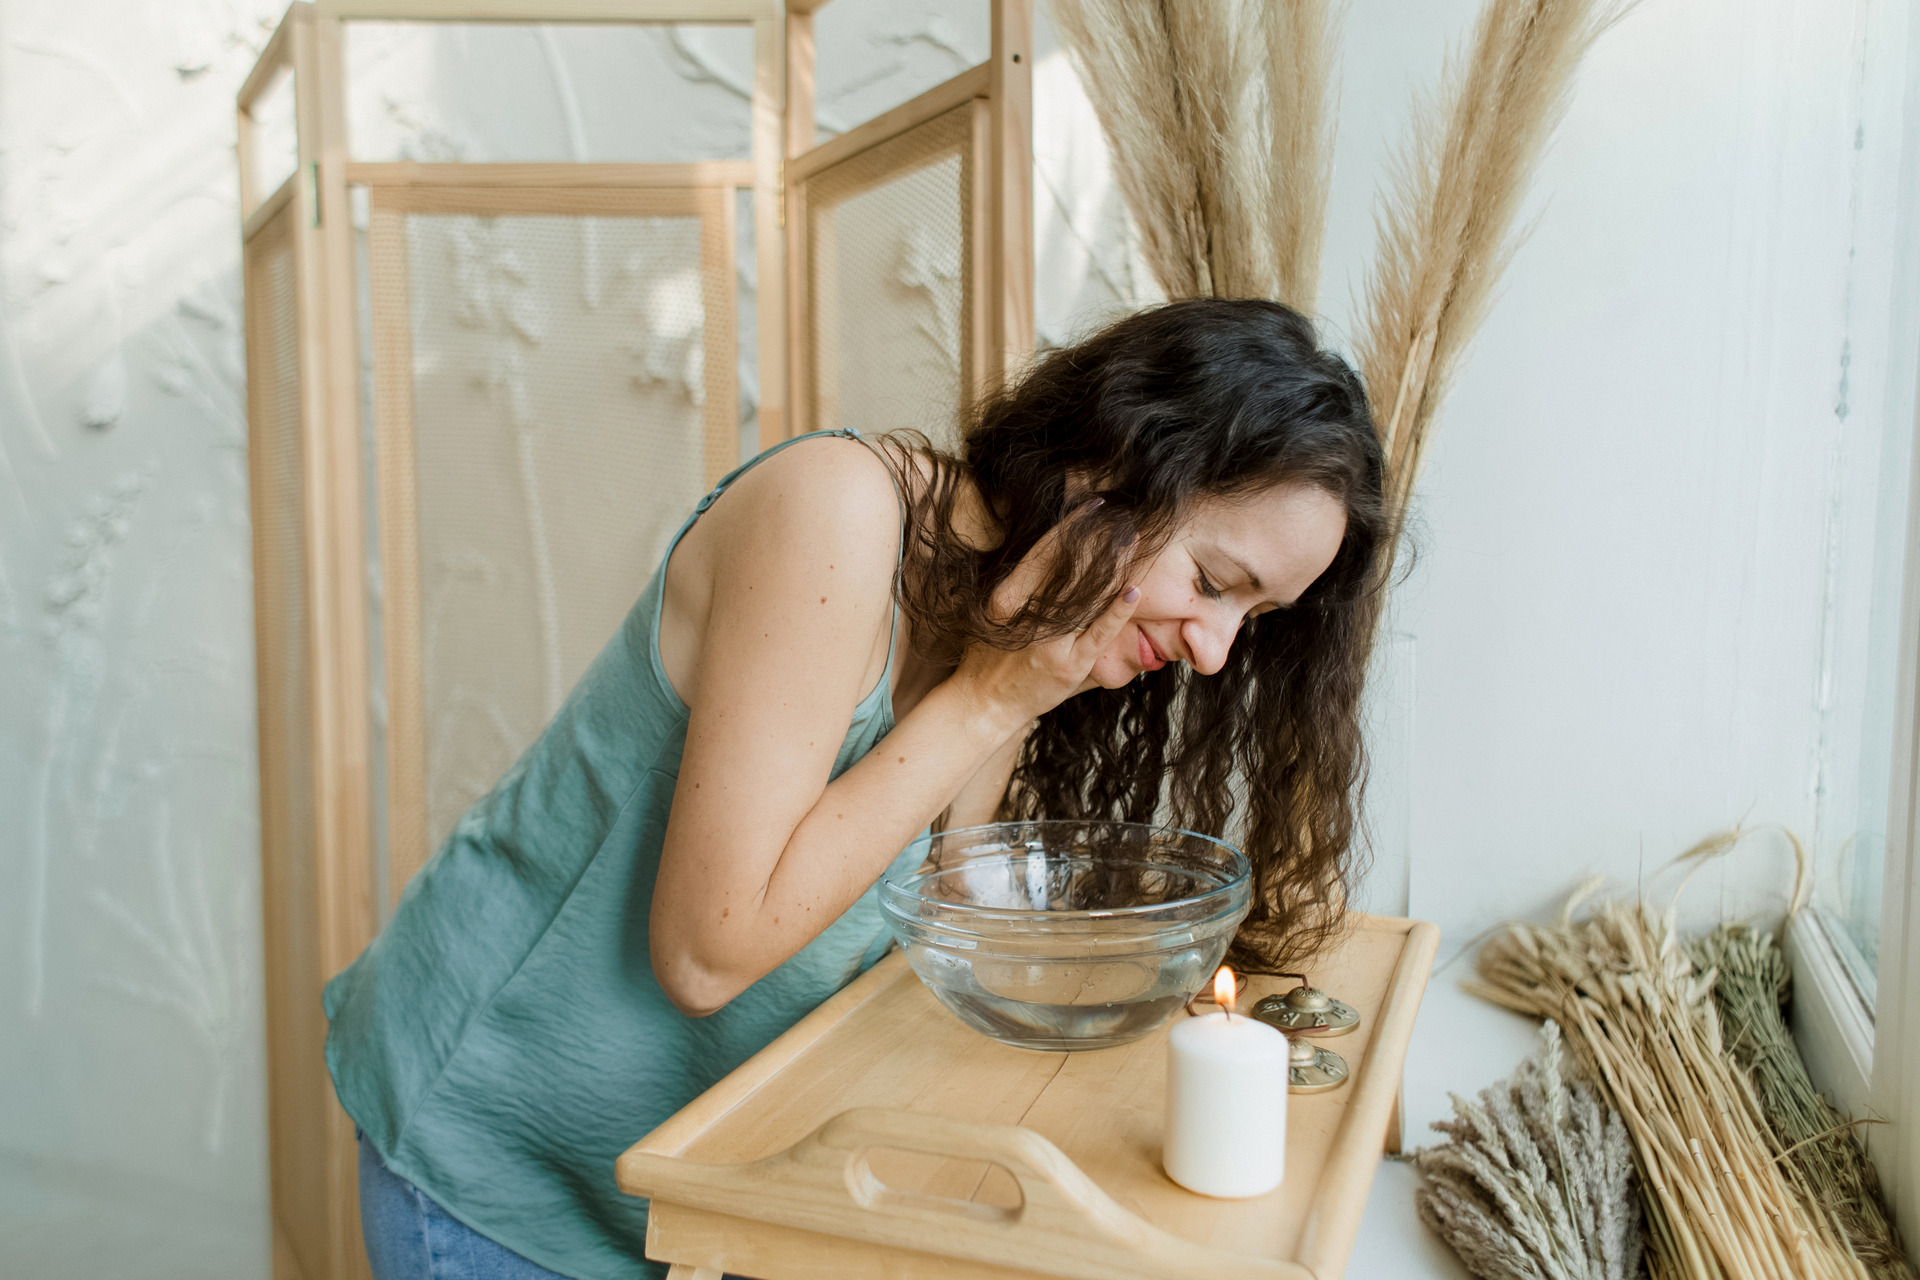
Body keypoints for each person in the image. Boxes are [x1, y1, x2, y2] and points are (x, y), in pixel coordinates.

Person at [325, 297, 1388, 1280]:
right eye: (1212, 582)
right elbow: (705, 951)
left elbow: (937, 922)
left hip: (675, 1175)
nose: (1214, 651)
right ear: (1116, 458)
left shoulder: (1022, 628)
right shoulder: (835, 513)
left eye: (1254, 619)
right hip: (493, 1145)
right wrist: (993, 695)